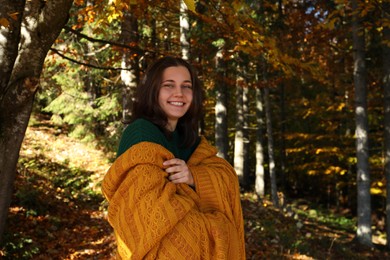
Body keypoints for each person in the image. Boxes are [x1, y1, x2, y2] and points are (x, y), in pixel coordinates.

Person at [102, 56, 246, 259]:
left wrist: (194, 177)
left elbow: (225, 176)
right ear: (153, 91)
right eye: (168, 85)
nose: (179, 93)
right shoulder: (142, 134)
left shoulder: (190, 140)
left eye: (186, 86)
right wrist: (218, 228)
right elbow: (149, 217)